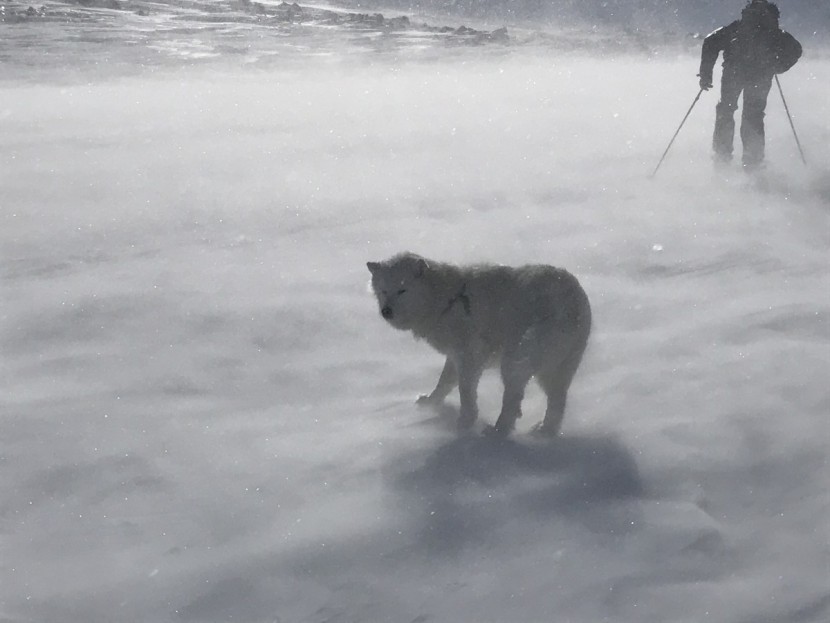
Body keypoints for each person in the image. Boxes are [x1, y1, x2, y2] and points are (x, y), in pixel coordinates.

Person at [698, 0, 802, 170]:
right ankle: (753, 161)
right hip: (759, 76)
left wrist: (706, 74)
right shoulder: (774, 32)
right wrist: (778, 65)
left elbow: (711, 41)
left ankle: (722, 157)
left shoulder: (737, 28)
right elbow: (795, 49)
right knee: (753, 115)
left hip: (734, 73)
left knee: (726, 110)